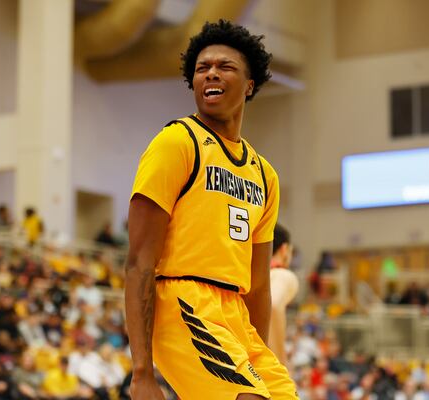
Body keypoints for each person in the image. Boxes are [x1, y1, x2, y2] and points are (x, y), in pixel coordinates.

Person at [125, 19, 297, 400]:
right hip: (182, 302)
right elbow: (138, 261)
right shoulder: (177, 143)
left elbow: (259, 285)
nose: (211, 74)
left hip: (234, 315)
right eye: (202, 68)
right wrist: (141, 372)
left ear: (249, 84)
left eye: (224, 67)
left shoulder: (264, 175)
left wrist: (255, 354)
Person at [268, 224, 299, 366]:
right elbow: (273, 304)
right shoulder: (282, 274)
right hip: (261, 366)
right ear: (285, 250)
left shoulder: (245, 276)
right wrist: (281, 364)